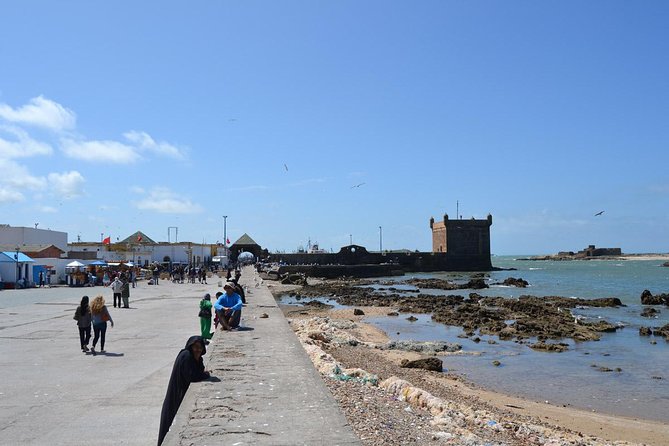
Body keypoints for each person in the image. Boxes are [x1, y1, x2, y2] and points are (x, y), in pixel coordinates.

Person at [157, 336, 210, 445]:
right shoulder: (186, 356)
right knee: (169, 426)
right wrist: (205, 375)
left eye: (200, 348)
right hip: (176, 396)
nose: (198, 350)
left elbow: (199, 369)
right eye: (195, 347)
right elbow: (192, 376)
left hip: (180, 393)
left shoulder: (196, 358)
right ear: (190, 347)